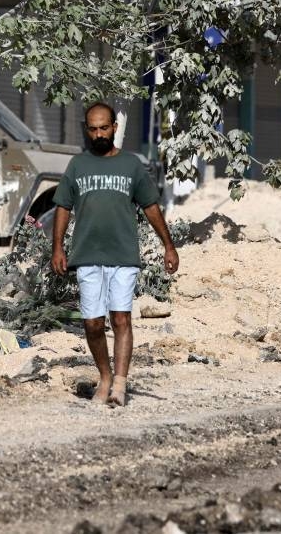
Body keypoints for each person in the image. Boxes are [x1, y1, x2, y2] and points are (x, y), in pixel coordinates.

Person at [51, 102, 179, 407]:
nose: (98, 134)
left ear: (114, 128)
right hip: (86, 255)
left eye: (103, 128)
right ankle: (104, 375)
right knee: (93, 323)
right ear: (87, 129)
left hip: (123, 254)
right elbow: (63, 207)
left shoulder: (131, 165)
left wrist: (168, 245)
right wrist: (57, 246)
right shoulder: (78, 166)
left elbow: (150, 206)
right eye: (93, 129)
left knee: (121, 319)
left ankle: (119, 384)